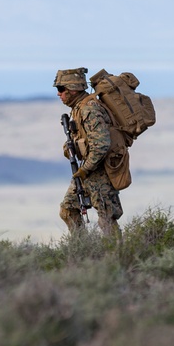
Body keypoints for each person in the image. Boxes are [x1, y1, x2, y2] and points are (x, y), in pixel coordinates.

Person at [55, 67, 123, 236]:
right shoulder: (78, 108)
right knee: (68, 210)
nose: (59, 94)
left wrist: (84, 170)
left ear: (72, 89)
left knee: (107, 219)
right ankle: (82, 249)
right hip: (87, 172)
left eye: (61, 89)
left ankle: (117, 256)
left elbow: (101, 144)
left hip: (99, 172)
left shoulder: (89, 109)